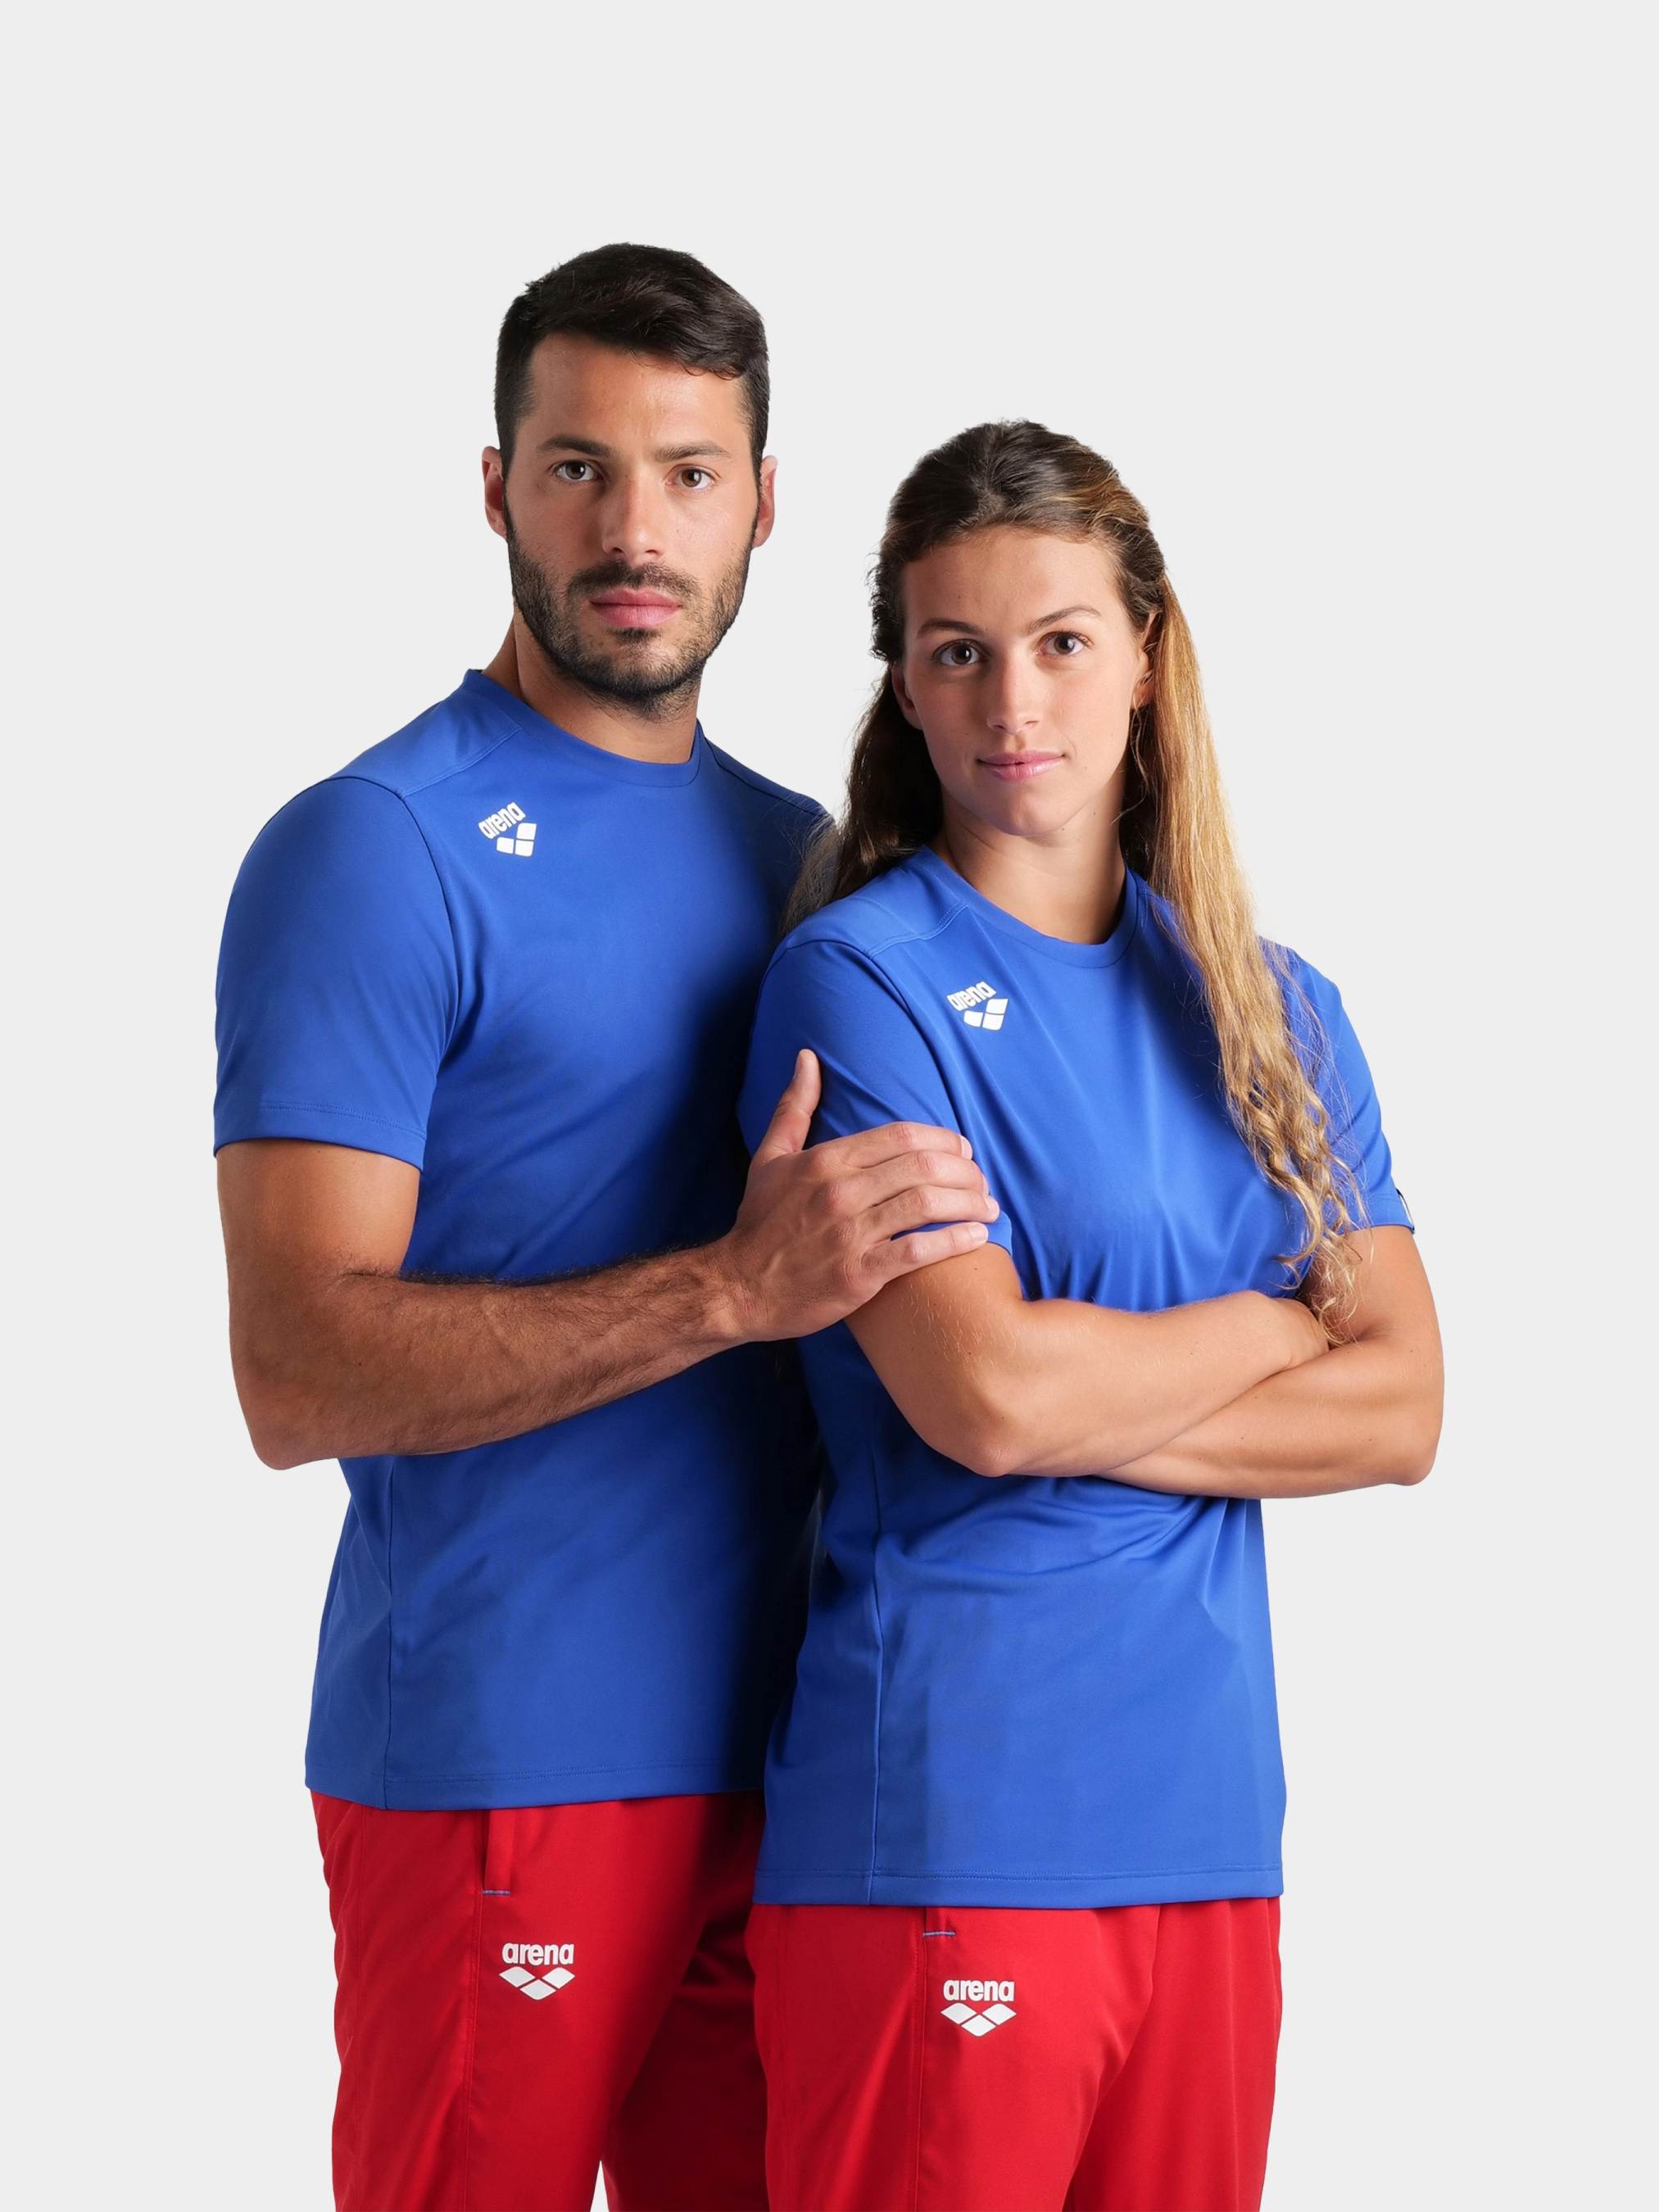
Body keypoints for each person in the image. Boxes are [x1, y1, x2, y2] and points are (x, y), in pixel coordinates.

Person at [212, 245, 998, 2212]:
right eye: (577, 469)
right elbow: (293, 1370)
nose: (634, 532)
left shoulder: (807, 858)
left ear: (763, 506)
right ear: (495, 488)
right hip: (508, 1763)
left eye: (687, 473)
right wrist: (730, 1290)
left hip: (807, 1767)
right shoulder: (374, 848)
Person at [737, 420, 1444, 2212]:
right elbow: (983, 1398)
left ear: (1142, 654)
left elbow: (1405, 1411)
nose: (1011, 702)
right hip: (950, 1826)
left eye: (1058, 641)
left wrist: (1083, 1390)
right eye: (955, 651)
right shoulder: (860, 981)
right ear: (904, 685)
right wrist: (1281, 1324)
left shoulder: (1273, 1007)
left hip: (1207, 1833)